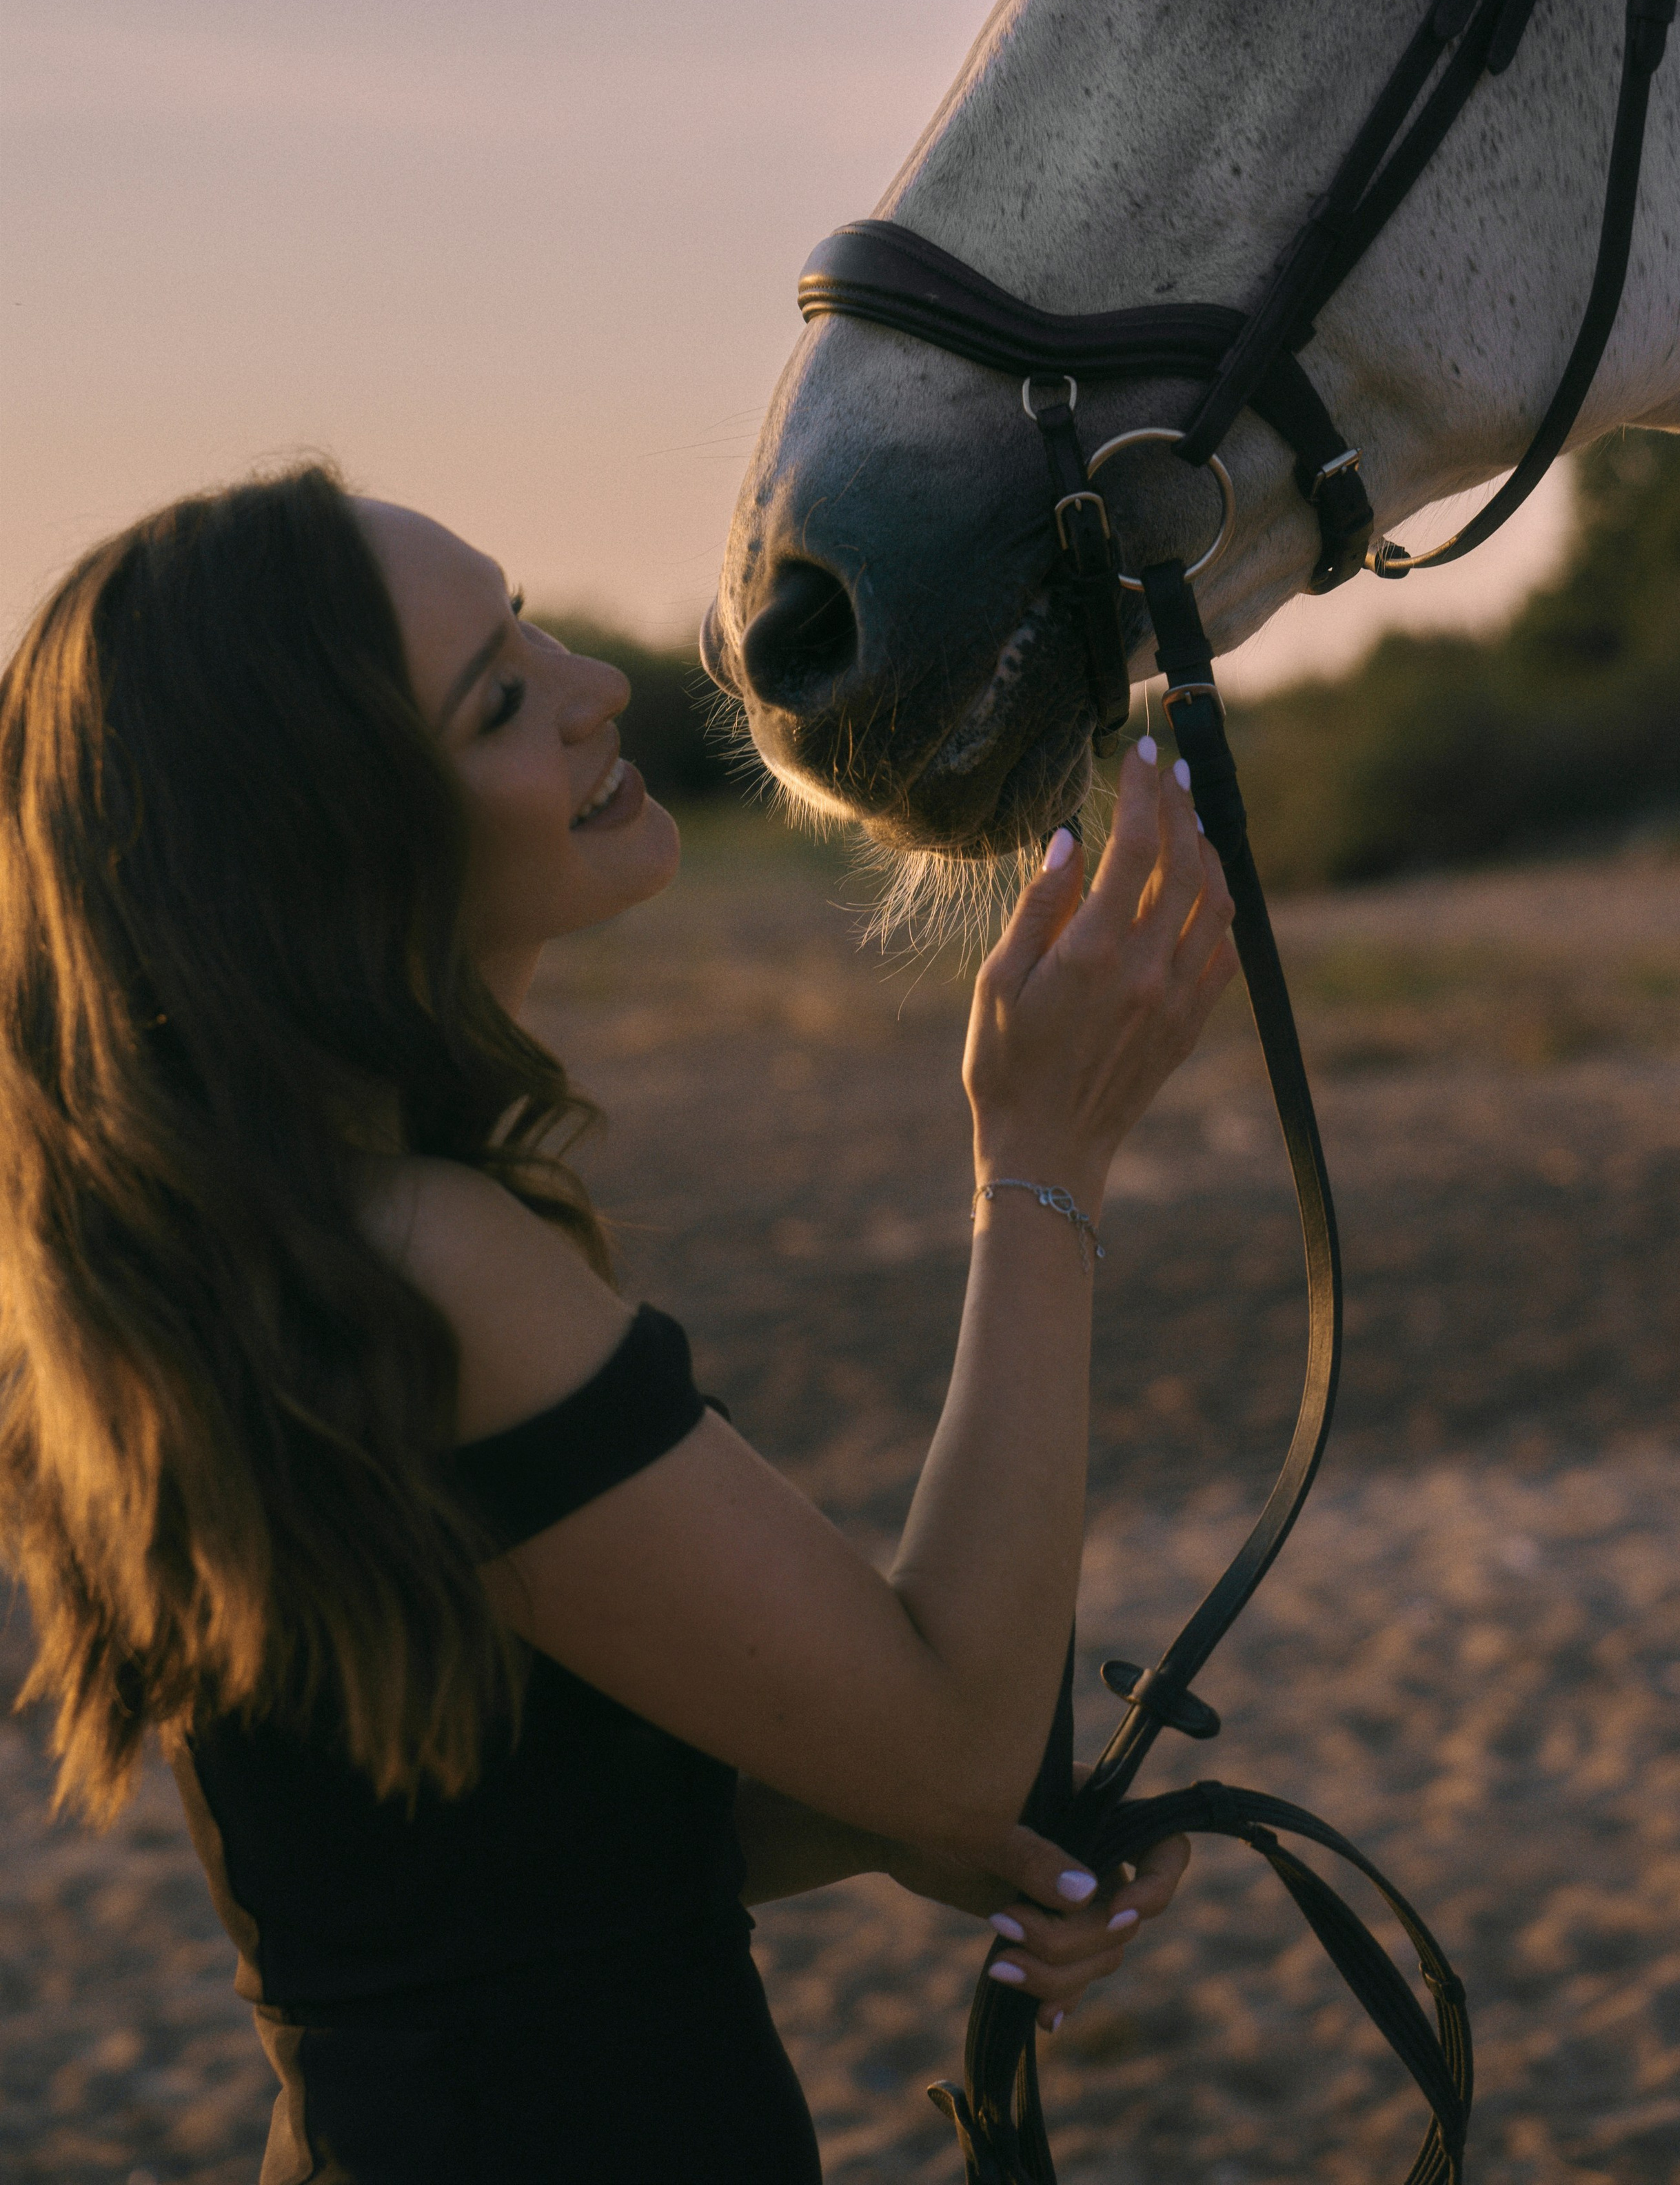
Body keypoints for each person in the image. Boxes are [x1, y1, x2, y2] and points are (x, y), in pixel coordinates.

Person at [0, 464, 1237, 2184]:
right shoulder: (426, 1259)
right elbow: (961, 1741)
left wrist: (891, 1820)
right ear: (331, 845)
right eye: (501, 697)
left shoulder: (275, 1256)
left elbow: (504, 1871)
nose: (599, 686)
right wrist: (1042, 1159)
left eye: (528, 625)